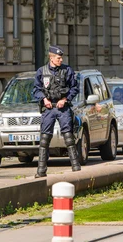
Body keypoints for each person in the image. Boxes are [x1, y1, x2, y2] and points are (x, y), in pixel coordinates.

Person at [33, 45, 80, 178]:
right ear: (51, 58)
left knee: (68, 137)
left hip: (62, 107)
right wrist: (43, 99)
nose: (61, 60)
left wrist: (65, 99)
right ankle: (41, 171)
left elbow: (74, 88)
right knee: (44, 139)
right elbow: (36, 89)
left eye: (61, 58)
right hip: (48, 108)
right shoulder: (41, 71)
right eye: (58, 58)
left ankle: (76, 167)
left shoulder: (67, 70)